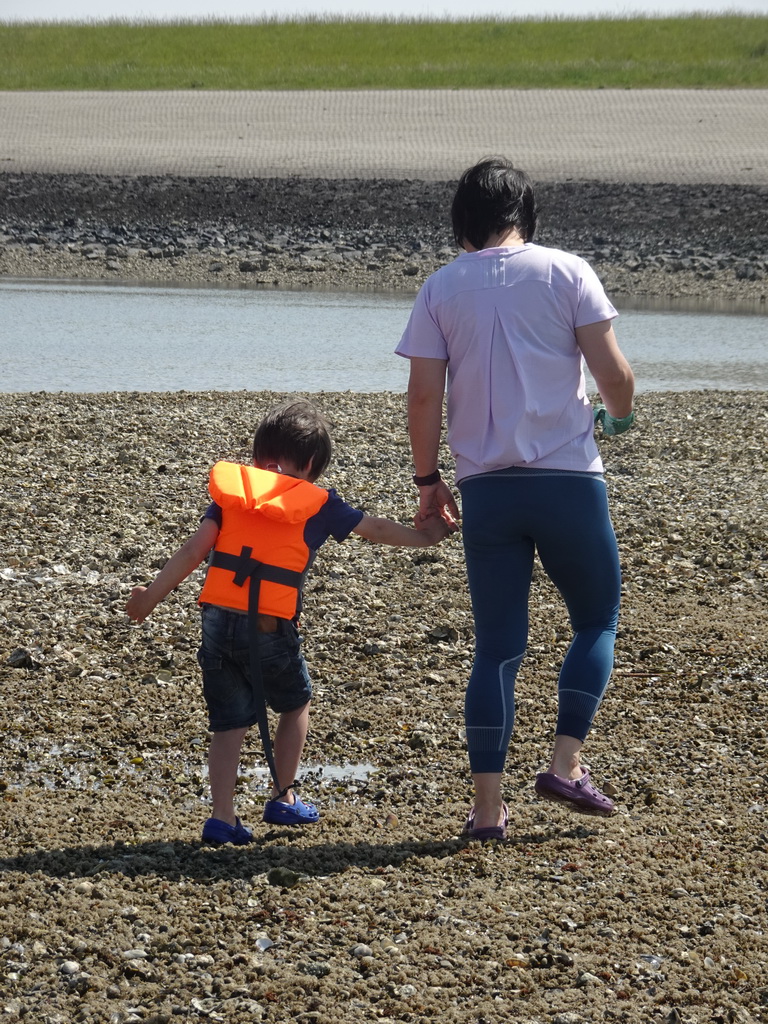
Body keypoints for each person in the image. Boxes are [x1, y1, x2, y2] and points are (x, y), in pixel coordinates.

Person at [396, 157, 635, 841]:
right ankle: (565, 763)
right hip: (567, 479)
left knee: (497, 647)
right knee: (595, 617)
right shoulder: (567, 271)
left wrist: (426, 481)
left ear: (461, 221)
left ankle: (485, 811)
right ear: (525, 215)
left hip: (486, 488)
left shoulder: (440, 288)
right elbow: (613, 377)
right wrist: (616, 418)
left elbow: (422, 396)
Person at [126, 399, 451, 845]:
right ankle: (284, 796)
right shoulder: (318, 504)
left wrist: (149, 598)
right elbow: (374, 529)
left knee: (228, 722)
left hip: (217, 623)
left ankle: (222, 817)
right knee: (295, 702)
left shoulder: (231, 498)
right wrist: (425, 537)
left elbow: (192, 551)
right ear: (314, 464)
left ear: (258, 458)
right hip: (269, 628)